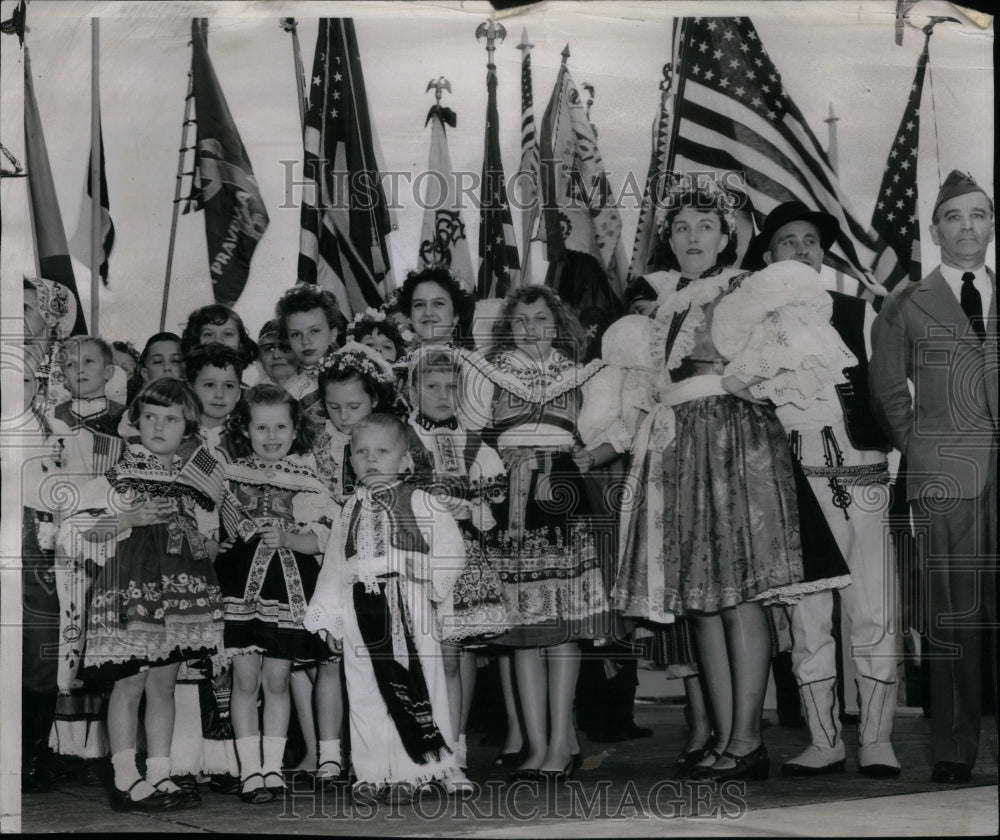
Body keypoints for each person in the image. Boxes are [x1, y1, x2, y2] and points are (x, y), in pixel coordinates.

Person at [612, 181, 852, 782]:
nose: (693, 238)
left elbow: (772, 363)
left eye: (705, 227)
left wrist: (732, 387)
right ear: (669, 238)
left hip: (729, 443)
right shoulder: (663, 308)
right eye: (682, 228)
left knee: (738, 591)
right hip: (678, 448)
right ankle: (724, 737)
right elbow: (646, 389)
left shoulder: (744, 289)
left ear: (727, 238)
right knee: (701, 600)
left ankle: (747, 740)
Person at [745, 200, 901, 778]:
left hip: (862, 475)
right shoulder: (753, 325)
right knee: (809, 617)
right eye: (788, 241)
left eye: (811, 240)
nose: (802, 249)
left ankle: (878, 739)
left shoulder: (856, 312)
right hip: (794, 486)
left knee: (873, 607)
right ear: (768, 257)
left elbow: (887, 388)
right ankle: (824, 739)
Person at [870, 170, 997, 785]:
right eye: (954, 216)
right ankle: (953, 748)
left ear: (991, 225)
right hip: (948, 478)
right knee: (955, 616)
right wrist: (924, 453)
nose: (967, 226)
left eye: (978, 214)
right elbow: (890, 396)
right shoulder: (904, 304)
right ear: (935, 228)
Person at [460, 284, 612, 780]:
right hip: (509, 500)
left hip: (561, 495)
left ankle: (560, 748)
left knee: (561, 628)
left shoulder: (577, 374)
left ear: (558, 324)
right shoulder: (489, 373)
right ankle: (539, 744)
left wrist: (594, 454)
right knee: (521, 631)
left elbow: (609, 431)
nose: (531, 330)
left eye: (541, 320)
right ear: (507, 328)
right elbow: (471, 432)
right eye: (521, 321)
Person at [305, 413, 473, 801]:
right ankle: (372, 771)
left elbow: (451, 552)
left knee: (420, 683)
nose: (371, 459)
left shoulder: (421, 500)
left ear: (406, 460)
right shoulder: (349, 509)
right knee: (364, 688)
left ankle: (421, 770)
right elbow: (334, 567)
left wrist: (417, 571)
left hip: (409, 603)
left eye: (383, 451)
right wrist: (329, 619)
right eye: (361, 452)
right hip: (359, 606)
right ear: (350, 461)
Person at [79, 378, 226, 811]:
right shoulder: (118, 475)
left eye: (171, 419)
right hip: (130, 589)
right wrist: (130, 518)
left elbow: (213, 539)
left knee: (163, 684)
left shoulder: (196, 482)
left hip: (177, 594)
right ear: (136, 420)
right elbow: (82, 534)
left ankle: (160, 773)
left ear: (188, 427)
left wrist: (206, 543)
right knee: (128, 684)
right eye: (150, 417)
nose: (159, 427)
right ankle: (126, 778)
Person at [215, 384, 333, 803]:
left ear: (294, 427)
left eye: (280, 426)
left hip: (287, 588)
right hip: (239, 587)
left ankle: (273, 768)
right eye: (261, 426)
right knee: (245, 679)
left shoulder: (306, 478)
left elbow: (324, 539)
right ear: (244, 429)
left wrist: (288, 535)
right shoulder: (226, 474)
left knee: (278, 679)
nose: (271, 435)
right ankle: (250, 770)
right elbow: (210, 526)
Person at [405, 347, 509, 769]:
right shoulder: (403, 436)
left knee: (453, 653)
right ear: (412, 389)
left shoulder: (473, 442)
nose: (443, 395)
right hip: (414, 557)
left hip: (459, 561)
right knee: (415, 651)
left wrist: (473, 509)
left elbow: (490, 512)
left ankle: (455, 746)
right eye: (432, 386)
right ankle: (417, 745)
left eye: (452, 387)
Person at [276, 284, 348, 412]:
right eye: (296, 334)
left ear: (333, 333)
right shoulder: (289, 389)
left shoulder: (353, 376)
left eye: (314, 331)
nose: (305, 341)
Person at [184, 343, 245, 457]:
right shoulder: (176, 437)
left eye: (228, 386)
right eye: (209, 385)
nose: (219, 394)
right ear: (190, 389)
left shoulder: (246, 441)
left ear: (238, 394)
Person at [180, 303, 259, 385]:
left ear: (240, 342)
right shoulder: (182, 392)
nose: (218, 341)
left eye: (228, 334)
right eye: (208, 334)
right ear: (195, 340)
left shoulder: (251, 396)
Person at [255, 320, 297, 388]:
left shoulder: (317, 395)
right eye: (269, 349)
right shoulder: (249, 396)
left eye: (285, 348)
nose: (276, 356)